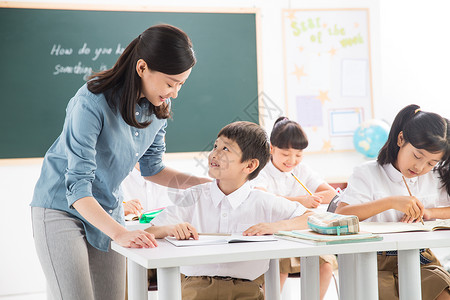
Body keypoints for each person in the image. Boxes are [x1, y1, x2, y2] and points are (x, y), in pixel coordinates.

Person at [30, 24, 210, 300]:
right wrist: (120, 234)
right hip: (61, 207)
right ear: (141, 68)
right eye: (170, 83)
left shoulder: (159, 106)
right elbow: (77, 187)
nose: (174, 93)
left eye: (181, 84)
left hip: (107, 206)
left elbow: (154, 169)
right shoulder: (90, 101)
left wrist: (204, 185)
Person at [145, 121, 314, 300]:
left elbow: (313, 218)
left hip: (247, 290)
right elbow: (148, 231)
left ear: (249, 166)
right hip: (195, 289)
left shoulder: (263, 201)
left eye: (226, 149)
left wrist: (278, 226)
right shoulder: (194, 197)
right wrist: (169, 229)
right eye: (215, 146)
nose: (214, 154)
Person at [335, 104, 450, 300]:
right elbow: (341, 215)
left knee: (443, 292)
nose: (420, 167)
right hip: (372, 260)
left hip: (419, 259)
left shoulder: (435, 178)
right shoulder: (368, 173)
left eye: (431, 163)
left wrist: (431, 213)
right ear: (401, 138)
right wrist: (390, 202)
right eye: (417, 155)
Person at [252, 116, 337, 298]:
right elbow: (262, 198)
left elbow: (331, 194)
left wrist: (312, 198)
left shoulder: (302, 170)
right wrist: (301, 201)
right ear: (271, 148)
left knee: (326, 264)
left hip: (301, 233)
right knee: (281, 267)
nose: (292, 160)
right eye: (285, 154)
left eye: (298, 155)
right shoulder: (261, 170)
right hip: (272, 234)